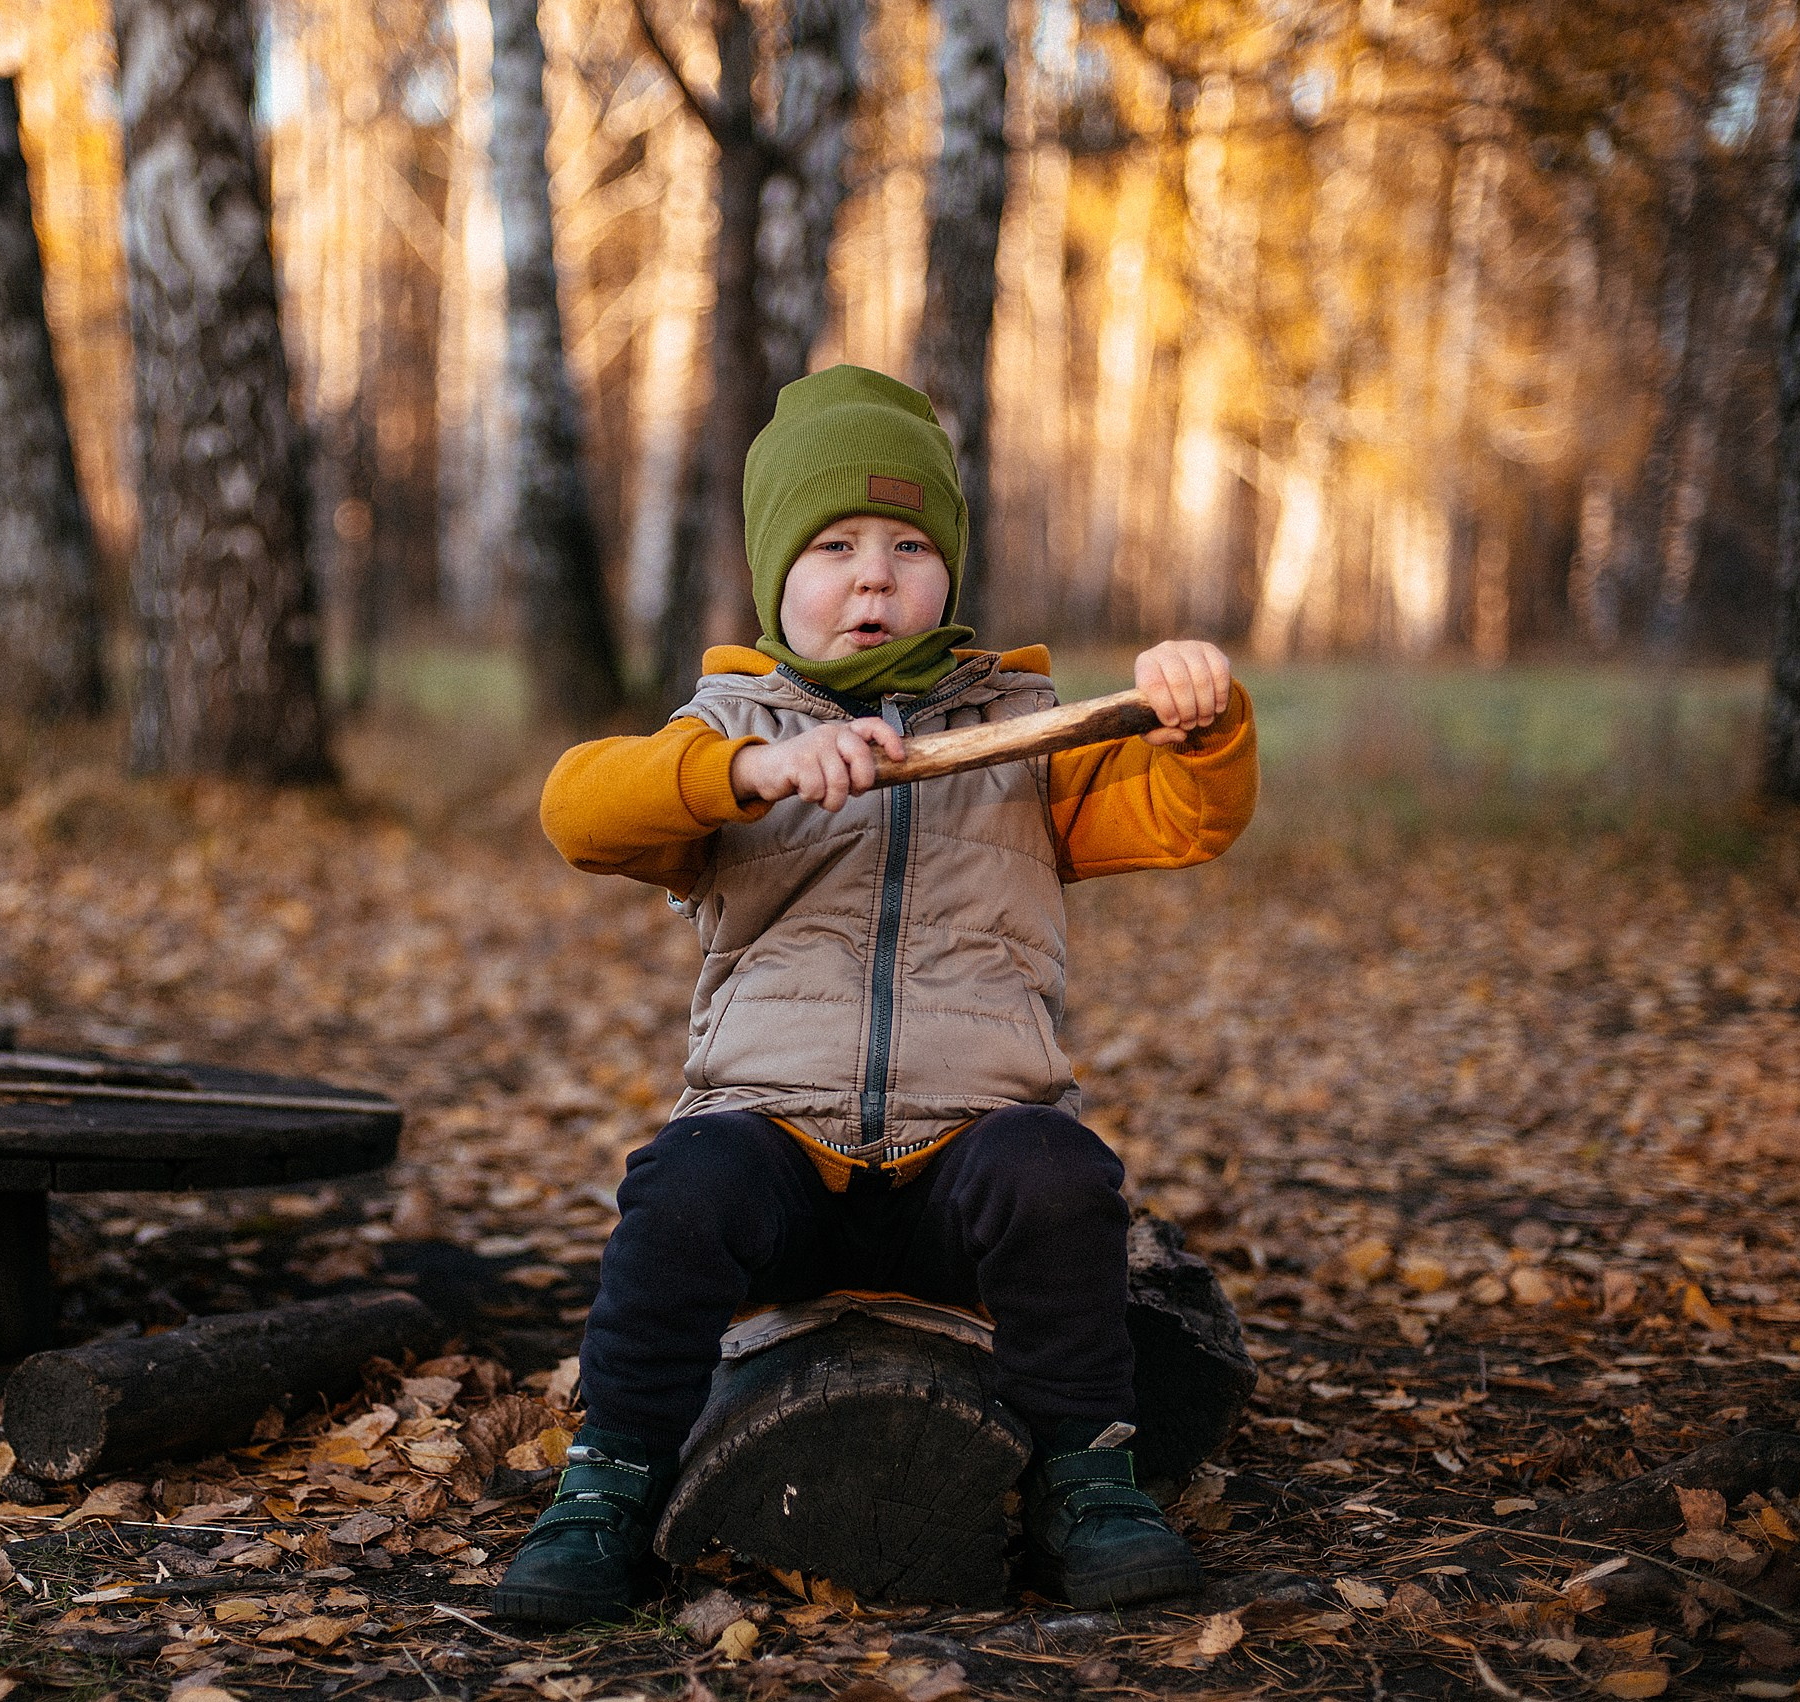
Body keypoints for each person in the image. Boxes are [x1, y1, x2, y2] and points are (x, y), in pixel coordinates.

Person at [493, 365, 1257, 1624]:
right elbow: (578, 808)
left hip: (963, 1164)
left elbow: (1187, 816)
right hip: (774, 1152)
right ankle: (607, 1482)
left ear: (948, 570)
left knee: (1056, 1172)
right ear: (772, 573)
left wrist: (1199, 723)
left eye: (908, 547)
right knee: (678, 1185)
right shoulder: (723, 729)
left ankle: (1088, 1478)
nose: (872, 579)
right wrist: (753, 771)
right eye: (833, 546)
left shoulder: (1028, 734)